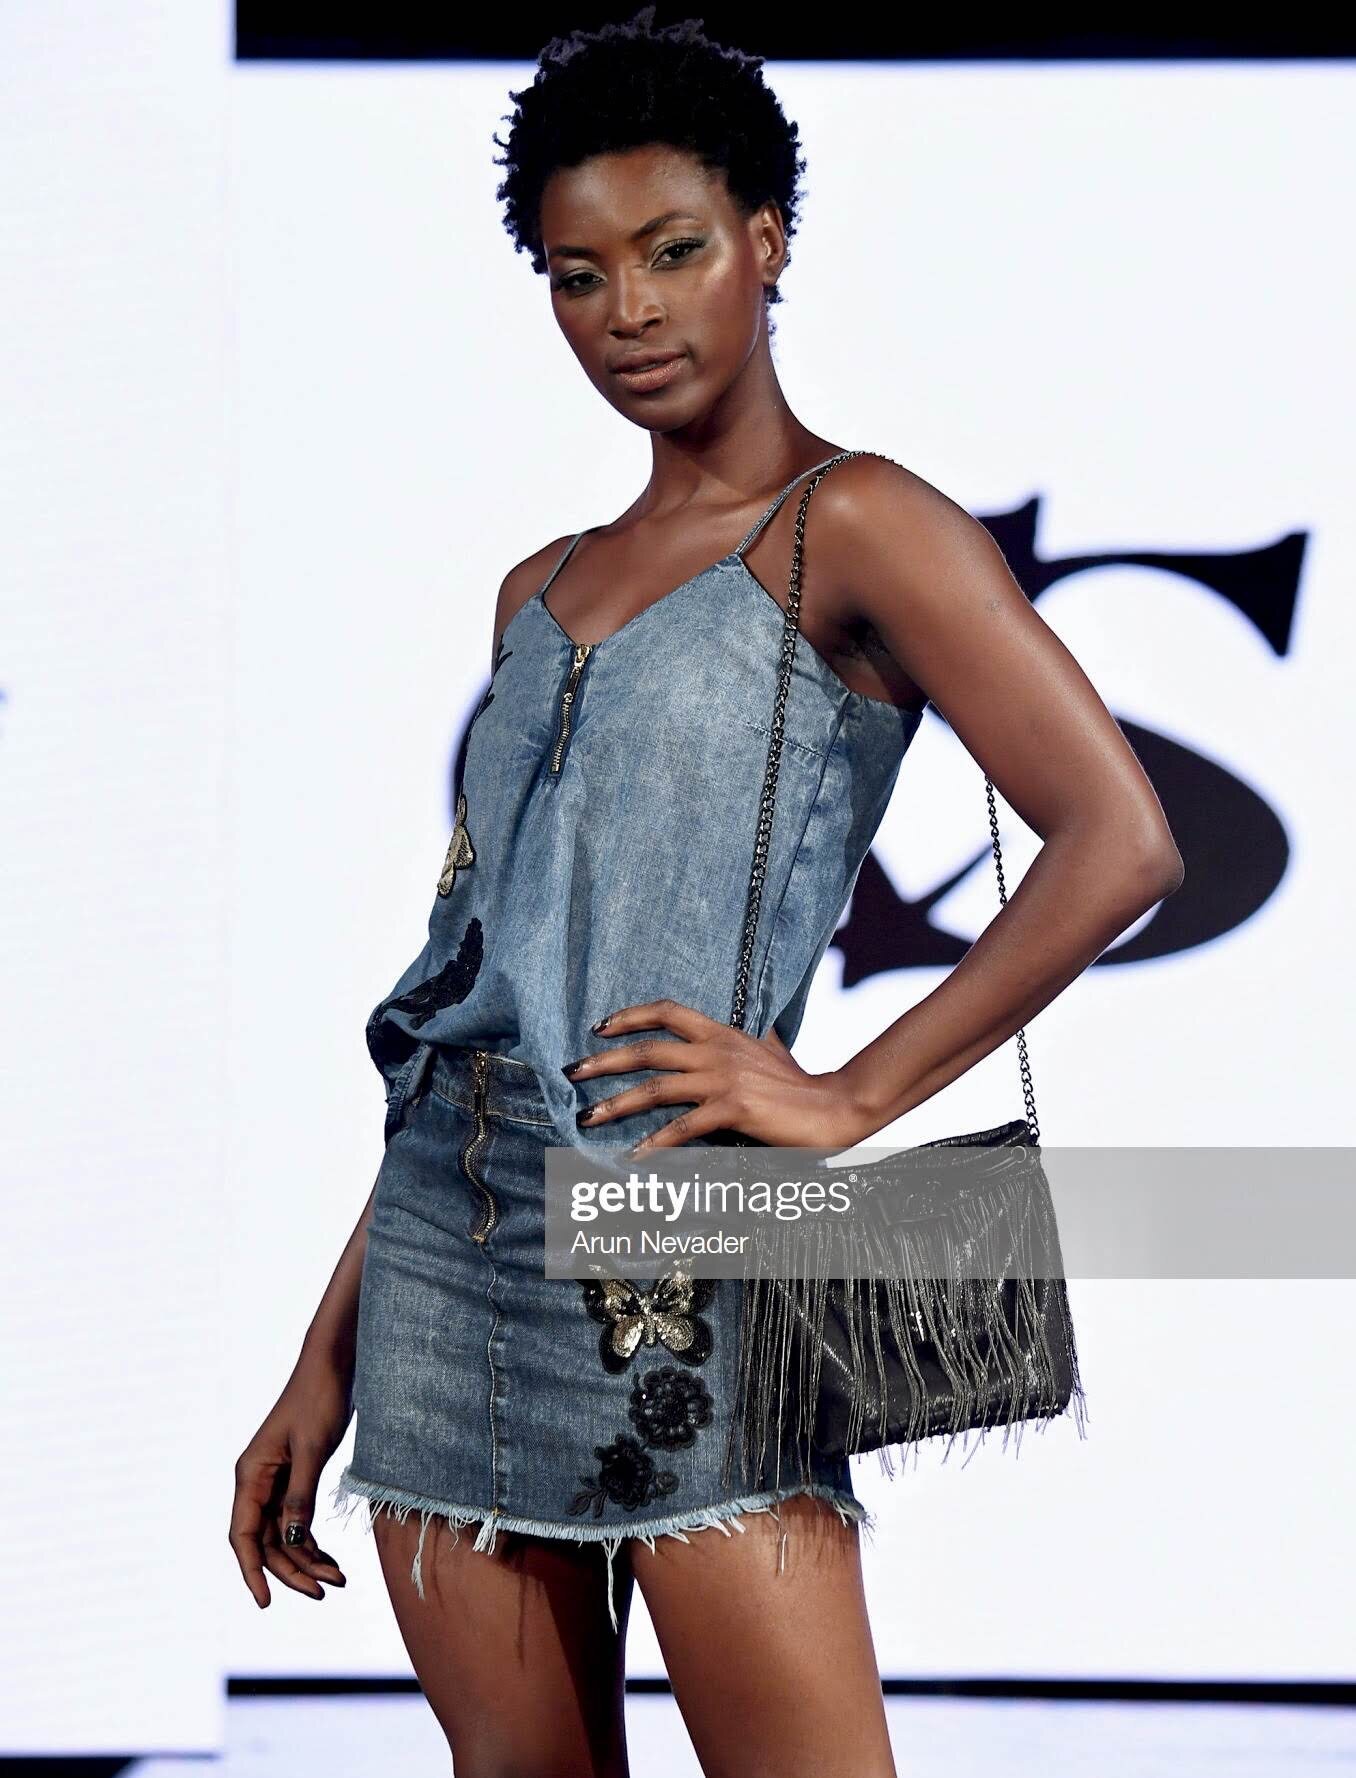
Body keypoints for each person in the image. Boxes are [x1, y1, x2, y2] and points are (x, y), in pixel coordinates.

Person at [229, 11, 1183, 1774]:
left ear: (768, 239)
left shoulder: (859, 524)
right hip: (443, 1249)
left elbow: (1119, 839)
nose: (632, 313)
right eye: (577, 275)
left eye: (673, 252)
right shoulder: (536, 591)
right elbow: (467, 994)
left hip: (681, 1240)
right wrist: (323, 1352)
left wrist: (842, 1094)